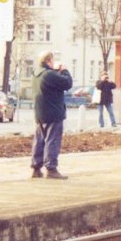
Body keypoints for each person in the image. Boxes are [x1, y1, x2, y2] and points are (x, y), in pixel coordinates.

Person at [30, 51, 73, 179]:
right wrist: (64, 70)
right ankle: (51, 168)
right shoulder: (49, 75)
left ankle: (36, 168)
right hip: (53, 112)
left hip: (40, 113)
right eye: (52, 60)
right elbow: (67, 83)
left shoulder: (36, 74)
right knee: (52, 140)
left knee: (39, 140)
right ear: (49, 60)